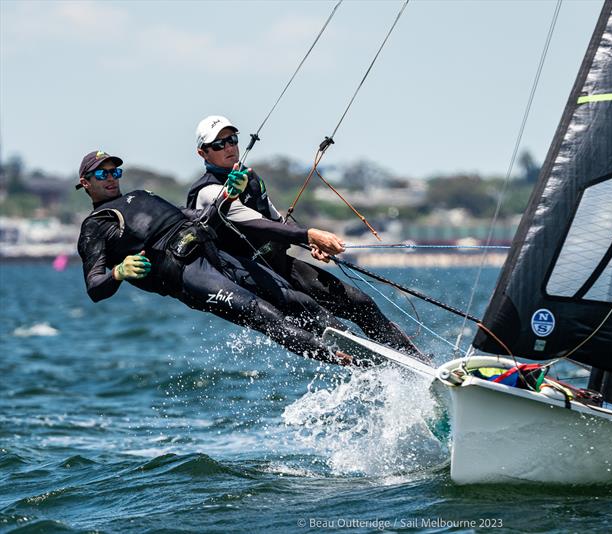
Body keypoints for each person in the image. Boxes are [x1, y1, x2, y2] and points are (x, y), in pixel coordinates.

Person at [75, 149, 353, 365]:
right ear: (85, 183)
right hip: (187, 272)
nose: (111, 178)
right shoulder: (95, 225)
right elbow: (94, 288)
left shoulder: (141, 195)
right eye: (102, 174)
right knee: (264, 314)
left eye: (115, 171)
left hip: (212, 252)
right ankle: (335, 356)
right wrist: (118, 272)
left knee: (295, 299)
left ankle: (352, 344)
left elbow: (203, 218)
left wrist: (229, 196)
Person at [186, 115, 423, 358]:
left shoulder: (251, 178)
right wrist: (309, 235)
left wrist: (307, 244)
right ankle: (383, 373)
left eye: (232, 139)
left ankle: (418, 362)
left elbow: (276, 222)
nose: (229, 147)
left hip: (282, 265)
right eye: (218, 144)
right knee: (334, 329)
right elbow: (258, 225)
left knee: (360, 303)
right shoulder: (208, 192)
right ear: (203, 153)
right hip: (252, 280)